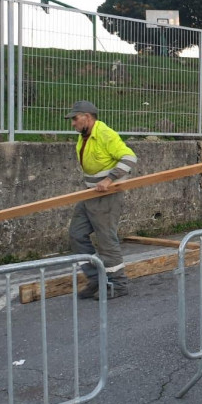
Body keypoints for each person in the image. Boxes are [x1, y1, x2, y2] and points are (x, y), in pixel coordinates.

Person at [65, 100, 138, 299]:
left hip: (107, 195)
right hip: (90, 194)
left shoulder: (105, 134)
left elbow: (130, 158)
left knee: (106, 240)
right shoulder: (84, 136)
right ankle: (97, 279)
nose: (73, 123)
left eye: (75, 118)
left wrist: (109, 180)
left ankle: (118, 284)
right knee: (76, 234)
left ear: (87, 117)